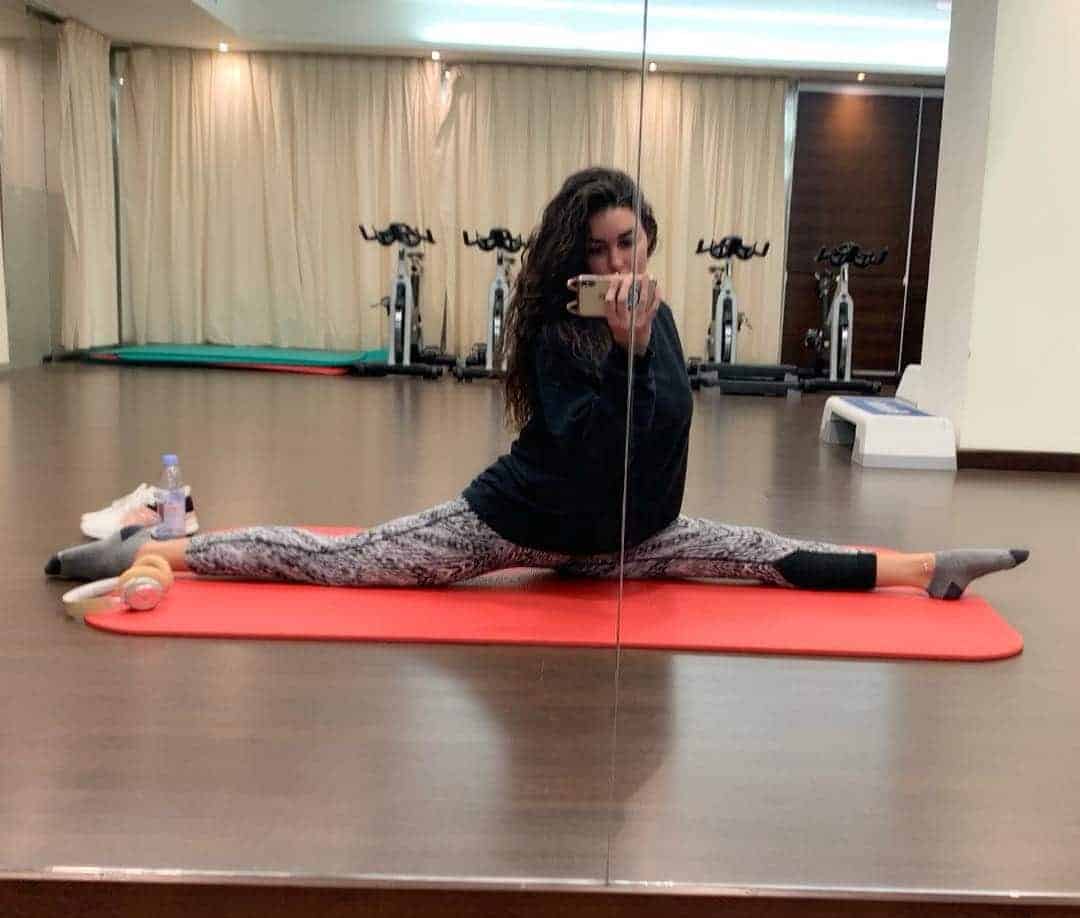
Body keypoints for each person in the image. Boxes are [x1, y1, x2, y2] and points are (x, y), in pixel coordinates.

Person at [46, 167, 1027, 600]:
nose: (618, 261)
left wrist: (644, 354)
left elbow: (670, 432)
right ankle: (165, 549)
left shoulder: (661, 319)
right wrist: (627, 355)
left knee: (762, 552)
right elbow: (594, 445)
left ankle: (926, 566)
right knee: (353, 562)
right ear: (575, 257)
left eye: (629, 241)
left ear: (648, 238)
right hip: (520, 522)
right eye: (599, 248)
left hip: (629, 536)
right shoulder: (561, 333)